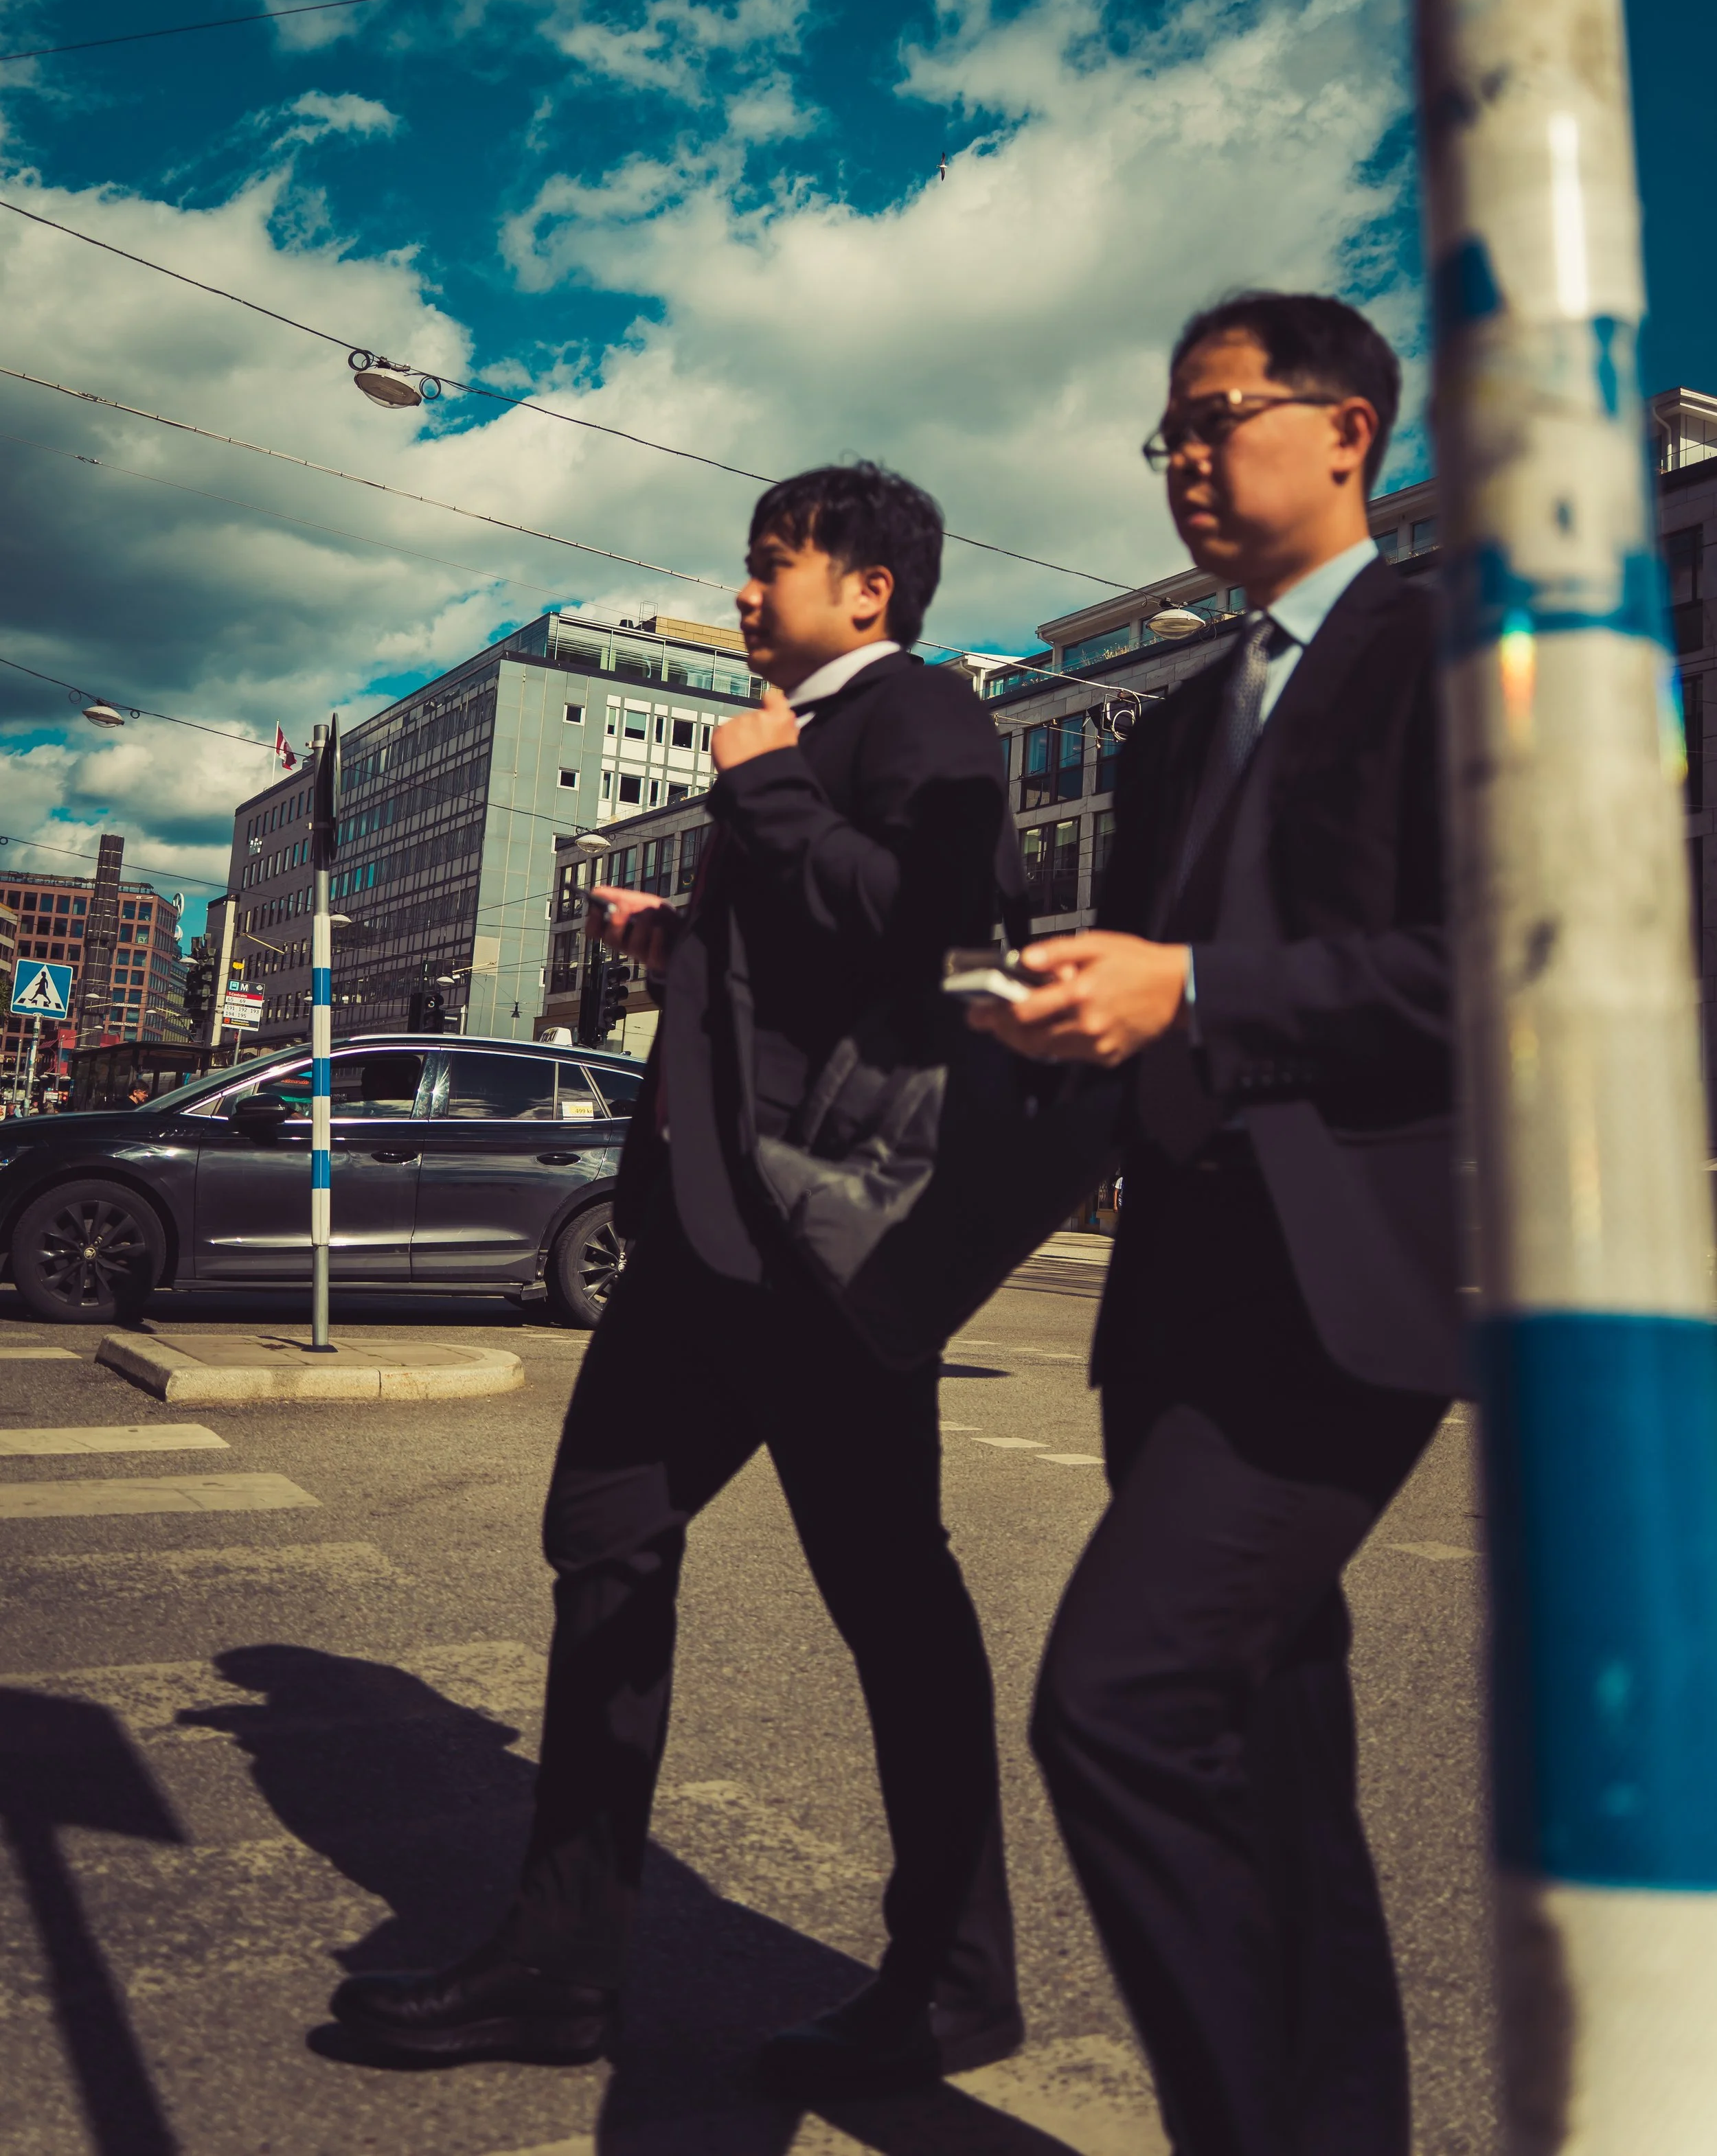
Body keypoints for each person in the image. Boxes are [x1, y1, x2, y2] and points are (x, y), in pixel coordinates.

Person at [332, 462, 1024, 2094]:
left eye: (768, 566)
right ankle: (559, 1965)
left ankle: (950, 1975)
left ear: (869, 589)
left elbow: (944, 932)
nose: (739, 592)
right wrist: (679, 941)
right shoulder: (793, 748)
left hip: (816, 1257)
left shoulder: (914, 713)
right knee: (606, 1539)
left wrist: (768, 793)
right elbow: (805, 958)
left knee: (889, 1603)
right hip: (706, 1248)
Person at [967, 293, 1464, 2156]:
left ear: (1345, 432)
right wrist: (1053, 1014)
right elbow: (1165, 983)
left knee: (1113, 1703)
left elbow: (1502, 960)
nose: (1180, 457)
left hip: (1349, 1284)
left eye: (1213, 419)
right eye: (1160, 434)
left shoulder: (1448, 643)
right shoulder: (1177, 719)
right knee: (1274, 1768)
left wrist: (1197, 987)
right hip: (1174, 1287)